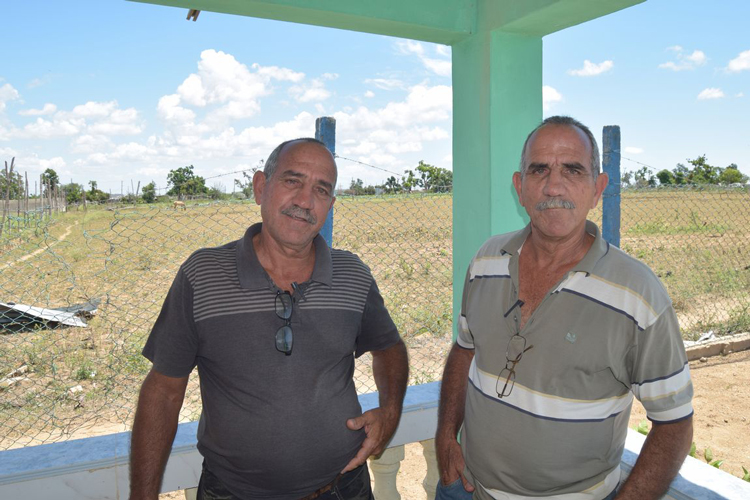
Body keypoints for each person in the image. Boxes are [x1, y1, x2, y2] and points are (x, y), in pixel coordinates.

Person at [129, 138, 409, 500]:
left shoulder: (352, 275)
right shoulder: (203, 275)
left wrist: (390, 411)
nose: (305, 201)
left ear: (331, 205)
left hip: (343, 488)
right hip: (231, 492)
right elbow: (164, 391)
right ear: (261, 186)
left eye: (321, 190)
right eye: (292, 181)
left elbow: (389, 347)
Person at [435, 116, 693, 500]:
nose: (554, 186)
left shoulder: (638, 294)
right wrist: (444, 435)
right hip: (466, 489)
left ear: (597, 189)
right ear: (520, 188)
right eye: (539, 170)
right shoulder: (486, 260)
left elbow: (673, 424)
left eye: (573, 170)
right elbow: (465, 347)